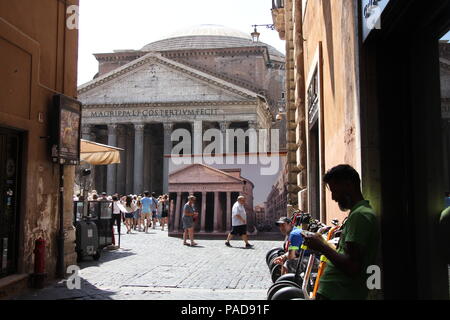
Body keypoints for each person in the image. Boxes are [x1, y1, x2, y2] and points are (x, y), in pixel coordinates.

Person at [302, 164, 379, 300]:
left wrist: (321, 247)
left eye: (335, 191)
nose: (333, 198)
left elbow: (352, 266)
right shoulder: (358, 213)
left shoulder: (360, 215)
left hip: (339, 293)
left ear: (348, 185)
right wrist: (322, 242)